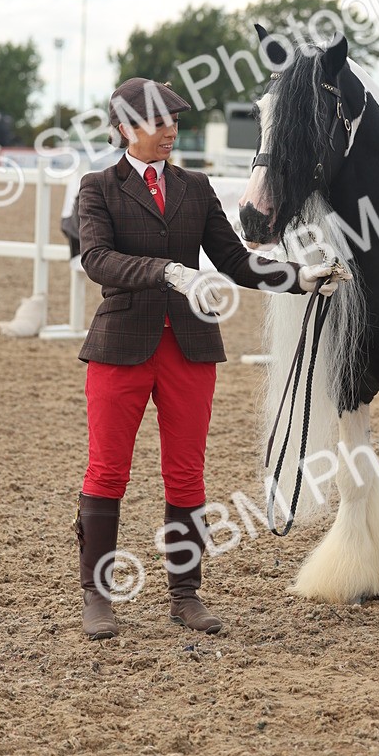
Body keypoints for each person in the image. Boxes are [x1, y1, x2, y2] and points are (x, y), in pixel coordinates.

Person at [73, 77, 343, 641]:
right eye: (155, 123)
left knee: (186, 472)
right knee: (107, 471)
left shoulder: (195, 188)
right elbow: (97, 258)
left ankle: (185, 595)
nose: (169, 131)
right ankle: (97, 595)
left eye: (174, 121)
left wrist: (300, 277)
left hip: (190, 349)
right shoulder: (98, 186)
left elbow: (236, 263)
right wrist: (166, 271)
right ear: (123, 129)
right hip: (122, 345)